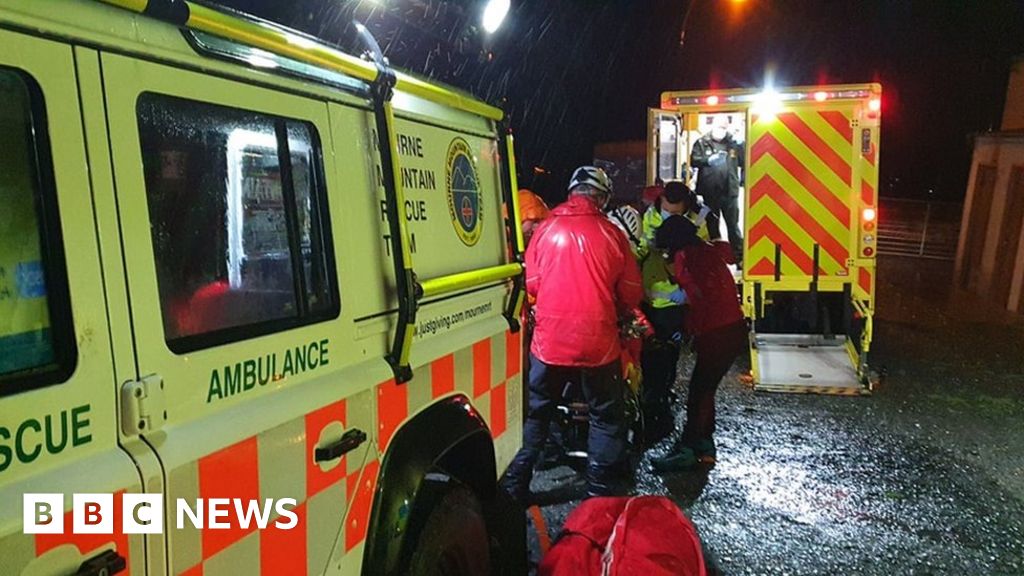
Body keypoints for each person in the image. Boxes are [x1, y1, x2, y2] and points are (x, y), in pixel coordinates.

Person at [502, 166, 643, 502]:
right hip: (599, 344)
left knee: (536, 413)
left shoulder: (545, 231)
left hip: (549, 343)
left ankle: (514, 486)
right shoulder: (612, 234)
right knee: (605, 416)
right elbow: (632, 293)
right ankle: (599, 493)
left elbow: (532, 285)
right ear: (601, 197)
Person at [650, 214, 747, 471]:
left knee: (699, 392)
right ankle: (704, 445)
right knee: (705, 391)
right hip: (732, 330)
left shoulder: (686, 256)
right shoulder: (707, 250)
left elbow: (697, 294)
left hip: (717, 333)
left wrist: (669, 295)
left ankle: (689, 449)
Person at [636, 181, 707, 444]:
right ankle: (653, 397)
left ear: (686, 207)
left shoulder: (699, 219)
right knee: (648, 354)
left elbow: (702, 259)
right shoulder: (650, 215)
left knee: (668, 356)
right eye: (666, 210)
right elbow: (639, 249)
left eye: (674, 213)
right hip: (647, 299)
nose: (668, 216)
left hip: (675, 303)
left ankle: (662, 397)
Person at [691, 116, 744, 265]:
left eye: (724, 128)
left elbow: (745, 161)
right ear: (713, 126)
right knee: (712, 226)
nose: (721, 130)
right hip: (709, 192)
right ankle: (716, 258)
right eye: (719, 127)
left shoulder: (733, 143)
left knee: (733, 226)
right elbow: (694, 160)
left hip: (729, 192)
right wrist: (707, 161)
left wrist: (743, 146)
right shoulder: (702, 142)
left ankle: (738, 257)